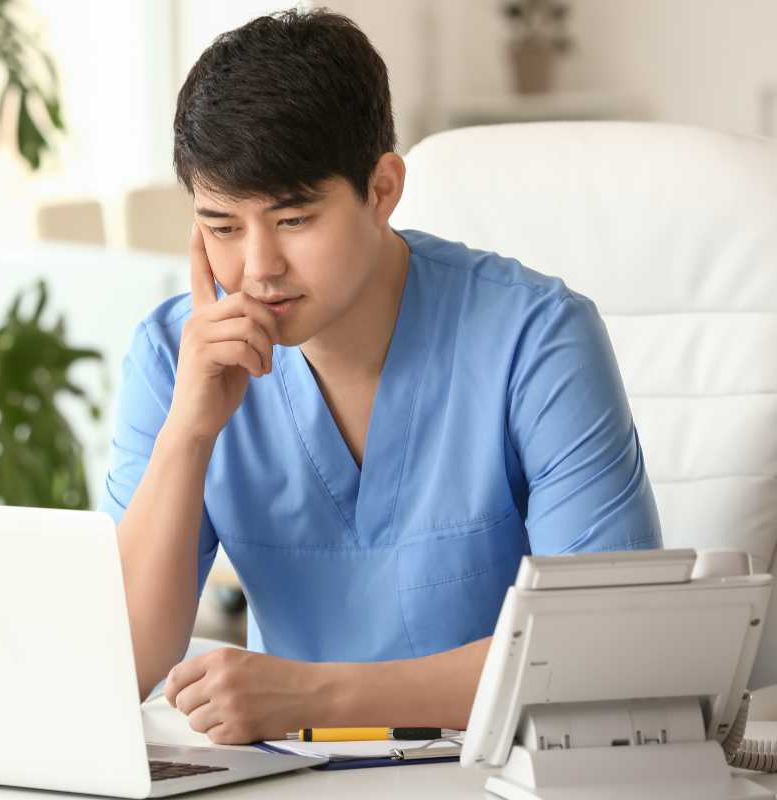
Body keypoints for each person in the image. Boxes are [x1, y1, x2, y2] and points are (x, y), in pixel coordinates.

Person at [98, 7, 662, 746]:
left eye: (294, 220)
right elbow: (119, 666)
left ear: (383, 189)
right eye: (223, 227)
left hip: (499, 773)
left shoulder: (539, 339)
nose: (259, 268)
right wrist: (189, 432)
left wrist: (315, 697)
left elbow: (606, 650)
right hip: (288, 781)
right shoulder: (175, 357)